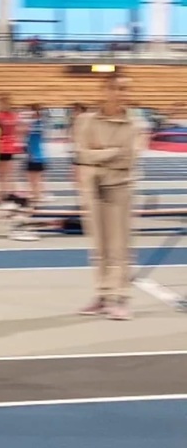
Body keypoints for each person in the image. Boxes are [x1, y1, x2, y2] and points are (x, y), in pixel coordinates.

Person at [74, 71, 140, 320]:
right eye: (116, 88)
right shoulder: (85, 121)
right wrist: (110, 152)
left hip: (120, 186)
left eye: (125, 89)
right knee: (99, 246)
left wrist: (98, 154)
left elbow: (127, 158)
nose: (121, 94)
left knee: (119, 246)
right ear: (105, 90)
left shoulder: (135, 124)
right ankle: (102, 295)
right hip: (93, 187)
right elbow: (81, 154)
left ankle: (120, 297)